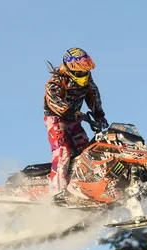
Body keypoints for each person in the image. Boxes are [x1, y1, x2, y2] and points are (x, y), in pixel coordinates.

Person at [43, 47, 108, 194]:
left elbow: (94, 96)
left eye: (85, 71)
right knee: (62, 151)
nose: (84, 75)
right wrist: (70, 111)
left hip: (74, 119)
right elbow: (53, 101)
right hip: (56, 119)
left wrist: (99, 115)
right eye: (80, 72)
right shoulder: (57, 81)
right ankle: (57, 192)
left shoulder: (87, 80)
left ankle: (88, 187)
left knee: (87, 150)